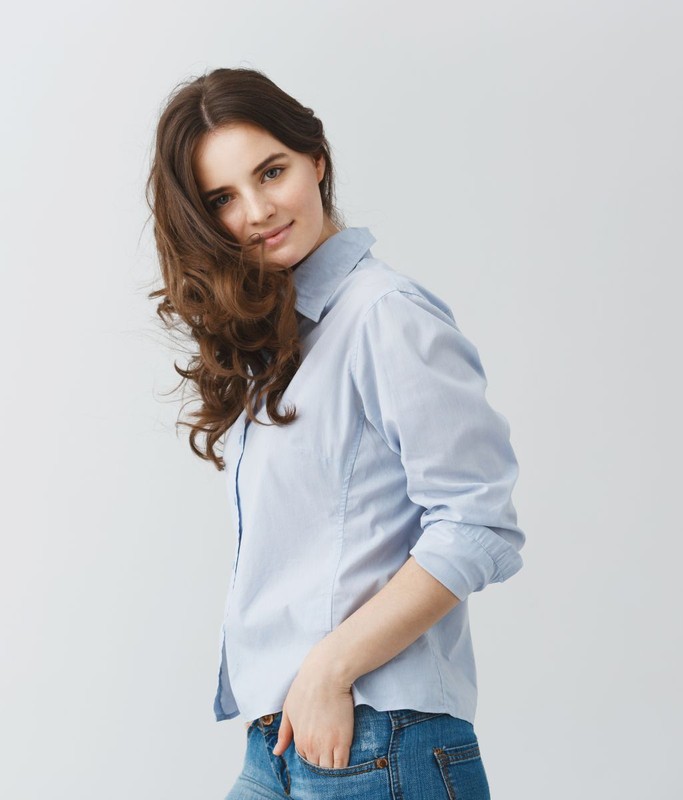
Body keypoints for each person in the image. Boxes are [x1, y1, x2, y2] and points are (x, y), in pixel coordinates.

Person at [146, 66, 526, 800]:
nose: (256, 210)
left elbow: (479, 522)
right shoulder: (285, 343)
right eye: (223, 197)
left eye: (272, 171)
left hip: (380, 737)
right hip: (287, 738)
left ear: (316, 160)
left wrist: (329, 668)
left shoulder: (383, 315)